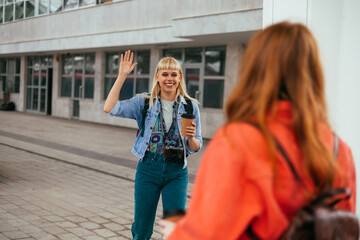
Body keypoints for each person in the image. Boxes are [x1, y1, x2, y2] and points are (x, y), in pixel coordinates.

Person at [159, 21, 356, 239]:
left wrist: (176, 232)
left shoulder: (236, 143)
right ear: (313, 75)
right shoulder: (339, 151)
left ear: (255, 70)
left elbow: (207, 233)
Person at [104, 51, 202, 240]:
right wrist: (122, 75)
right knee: (142, 229)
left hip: (177, 172)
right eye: (165, 74)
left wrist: (191, 138)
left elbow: (196, 146)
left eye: (174, 74)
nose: (169, 78)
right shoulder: (144, 103)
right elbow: (110, 107)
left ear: (180, 77)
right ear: (157, 77)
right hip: (148, 168)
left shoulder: (190, 107)